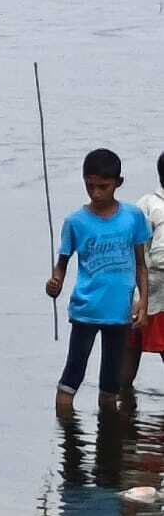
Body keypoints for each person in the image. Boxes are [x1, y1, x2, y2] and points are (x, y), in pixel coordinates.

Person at [46, 149, 151, 413]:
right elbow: (61, 266)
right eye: (89, 186)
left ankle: (109, 443)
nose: (95, 193)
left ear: (118, 183)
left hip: (119, 313)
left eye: (102, 186)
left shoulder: (133, 217)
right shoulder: (75, 222)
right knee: (72, 376)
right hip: (86, 310)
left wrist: (143, 304)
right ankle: (68, 441)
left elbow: (141, 265)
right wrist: (54, 283)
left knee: (110, 386)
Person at [122, 151, 164, 388]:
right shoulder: (148, 206)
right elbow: (138, 253)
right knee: (128, 360)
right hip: (143, 293)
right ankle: (120, 406)